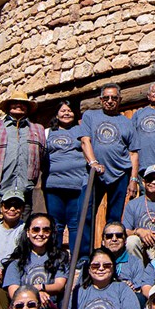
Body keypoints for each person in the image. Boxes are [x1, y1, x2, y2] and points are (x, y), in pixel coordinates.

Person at [0, 91, 46, 227]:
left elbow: (43, 157)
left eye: (23, 104)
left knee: (22, 228)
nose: (19, 106)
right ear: (8, 106)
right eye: (14, 103)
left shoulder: (37, 130)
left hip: (24, 188)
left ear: (28, 108)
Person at [79, 84, 137, 225]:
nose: (110, 101)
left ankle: (111, 246)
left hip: (120, 174)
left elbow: (133, 153)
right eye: (106, 98)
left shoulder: (127, 123)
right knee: (85, 214)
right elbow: (85, 140)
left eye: (114, 98)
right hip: (94, 173)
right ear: (101, 99)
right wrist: (93, 163)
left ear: (119, 100)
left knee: (114, 218)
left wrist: (133, 180)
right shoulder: (90, 116)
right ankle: (85, 248)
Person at [42, 101, 90, 256]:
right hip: (53, 185)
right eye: (63, 111)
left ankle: (77, 258)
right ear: (57, 114)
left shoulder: (81, 130)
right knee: (56, 224)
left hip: (76, 185)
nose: (66, 113)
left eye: (69, 110)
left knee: (75, 223)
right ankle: (55, 257)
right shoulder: (48, 132)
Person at [3, 213, 69, 309]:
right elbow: (14, 292)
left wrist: (39, 288)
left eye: (46, 230)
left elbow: (59, 286)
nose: (41, 234)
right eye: (36, 230)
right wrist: (36, 294)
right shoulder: (17, 261)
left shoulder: (59, 257)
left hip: (50, 308)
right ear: (28, 232)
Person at [101, 220, 150, 297]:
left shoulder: (136, 262)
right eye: (109, 236)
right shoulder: (94, 262)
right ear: (103, 242)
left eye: (119, 236)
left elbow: (139, 291)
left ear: (125, 240)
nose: (114, 239)